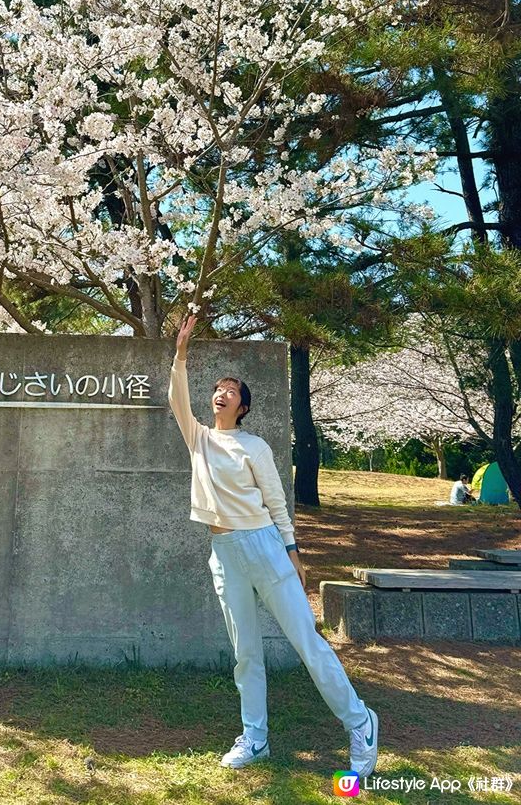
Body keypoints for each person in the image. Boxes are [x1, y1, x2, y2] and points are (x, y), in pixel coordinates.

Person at [168, 314, 378, 775]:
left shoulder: (254, 447)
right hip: (223, 553)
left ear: (243, 406)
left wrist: (292, 552)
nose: (222, 393)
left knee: (307, 641)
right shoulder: (199, 439)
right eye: (218, 388)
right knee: (246, 651)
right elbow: (176, 399)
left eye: (232, 390)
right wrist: (181, 354)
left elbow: (278, 504)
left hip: (264, 545)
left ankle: (360, 722)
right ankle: (256, 738)